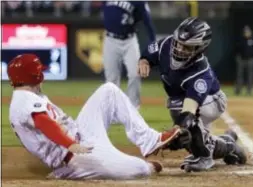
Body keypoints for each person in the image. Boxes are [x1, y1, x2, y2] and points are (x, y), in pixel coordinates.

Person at [7, 54, 182, 180]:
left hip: (82, 135)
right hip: (76, 158)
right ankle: (64, 173)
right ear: (35, 75)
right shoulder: (23, 100)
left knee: (109, 91)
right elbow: (43, 122)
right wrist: (71, 144)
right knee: (141, 169)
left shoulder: (29, 95)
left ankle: (150, 141)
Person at [138, 17, 247, 172]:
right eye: (179, 44)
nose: (180, 49)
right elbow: (149, 53)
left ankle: (204, 157)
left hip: (212, 101)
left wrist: (175, 132)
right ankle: (229, 145)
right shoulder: (166, 45)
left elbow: (189, 110)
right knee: (194, 141)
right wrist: (144, 61)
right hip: (188, 100)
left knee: (184, 123)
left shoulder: (200, 72)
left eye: (187, 47)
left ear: (199, 49)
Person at [101, 1, 156, 108]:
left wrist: (153, 41)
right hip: (110, 40)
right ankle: (112, 111)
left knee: (135, 74)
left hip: (129, 40)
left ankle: (134, 109)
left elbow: (147, 21)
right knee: (111, 79)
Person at [235, 25, 253, 96]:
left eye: (248, 32)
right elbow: (237, 49)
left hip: (250, 59)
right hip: (241, 59)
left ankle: (250, 90)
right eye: (245, 32)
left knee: (250, 75)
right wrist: (238, 57)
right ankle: (238, 90)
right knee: (239, 75)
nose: (246, 33)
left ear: (250, 32)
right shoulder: (241, 40)